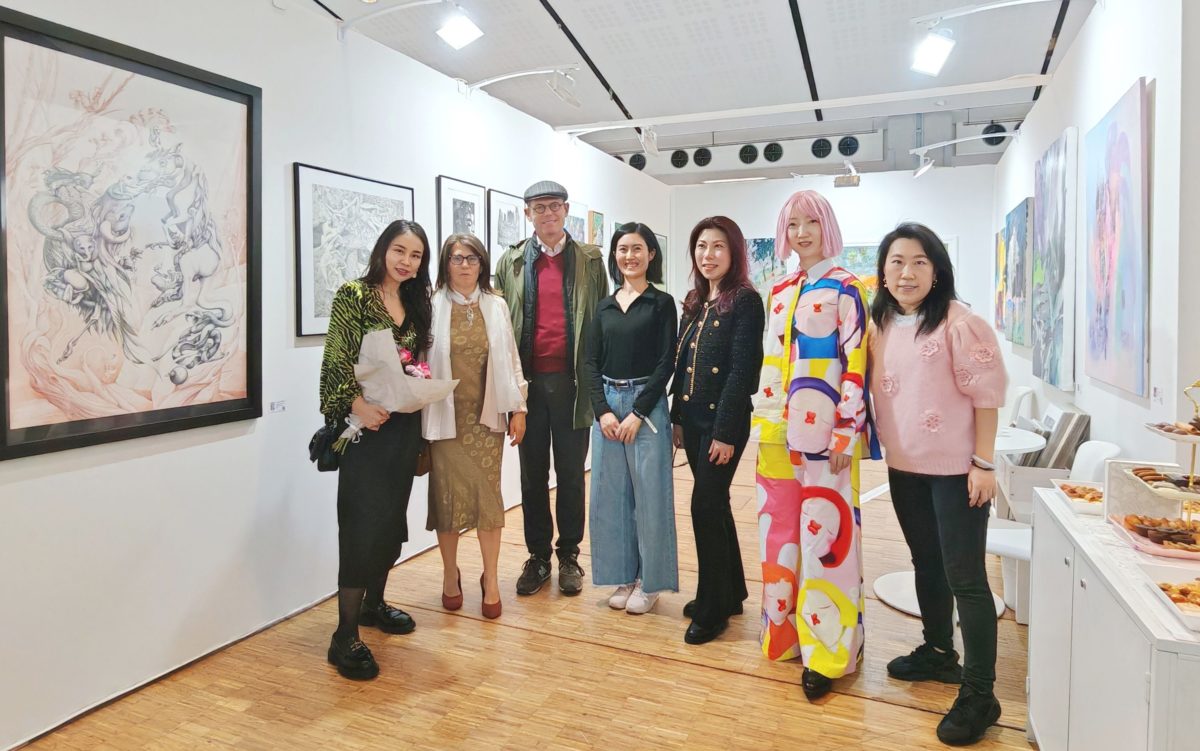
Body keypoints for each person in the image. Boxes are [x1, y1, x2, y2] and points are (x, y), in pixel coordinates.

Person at [869, 223, 1007, 746]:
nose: (907, 272)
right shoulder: (879, 321)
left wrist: (984, 463)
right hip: (905, 467)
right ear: (883, 270)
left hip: (956, 472)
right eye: (897, 261)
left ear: (937, 269)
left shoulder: (959, 322)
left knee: (966, 577)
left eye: (920, 262)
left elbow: (987, 395)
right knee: (926, 563)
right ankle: (939, 652)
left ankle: (980, 692)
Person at [751, 190, 879, 700]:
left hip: (826, 438)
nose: (802, 232)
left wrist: (849, 430)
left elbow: (856, 361)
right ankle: (783, 635)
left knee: (827, 546)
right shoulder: (778, 289)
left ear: (827, 226)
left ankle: (829, 652)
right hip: (774, 435)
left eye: (811, 222)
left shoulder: (847, 288)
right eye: (793, 223)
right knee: (777, 539)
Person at [318, 219, 433, 680]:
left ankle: (374, 605)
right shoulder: (354, 295)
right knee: (360, 527)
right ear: (383, 249)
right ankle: (343, 635)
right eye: (399, 251)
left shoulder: (415, 301)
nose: (406, 262)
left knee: (389, 523)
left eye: (417, 256)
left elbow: (417, 367)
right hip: (366, 431)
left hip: (402, 430)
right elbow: (335, 361)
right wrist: (358, 405)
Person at [493, 180, 608, 597]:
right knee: (531, 477)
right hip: (528, 389)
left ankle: (570, 556)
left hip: (573, 386)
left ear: (566, 210)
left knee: (573, 476)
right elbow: (500, 328)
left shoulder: (590, 261)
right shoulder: (512, 262)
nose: (547, 214)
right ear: (528, 214)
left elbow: (602, 324)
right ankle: (538, 556)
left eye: (554, 206)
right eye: (539, 208)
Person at [670, 216, 764, 645]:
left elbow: (743, 372)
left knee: (704, 506)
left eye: (718, 247)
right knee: (717, 505)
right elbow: (682, 362)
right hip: (691, 420)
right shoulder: (694, 299)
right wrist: (675, 417)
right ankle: (731, 592)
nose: (708, 255)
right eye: (701, 246)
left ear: (734, 252)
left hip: (722, 423)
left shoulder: (744, 300)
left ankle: (711, 609)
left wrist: (725, 432)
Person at [423, 233, 527, 620]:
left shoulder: (496, 305)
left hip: (487, 420)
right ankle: (450, 575)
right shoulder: (430, 306)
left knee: (488, 498)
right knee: (447, 499)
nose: (464, 265)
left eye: (472, 258)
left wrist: (519, 407)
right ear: (445, 264)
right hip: (444, 418)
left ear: (482, 264)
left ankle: (492, 578)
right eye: (456, 258)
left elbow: (512, 359)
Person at [585, 223, 678, 614]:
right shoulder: (604, 306)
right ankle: (624, 575)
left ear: (651, 254)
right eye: (623, 249)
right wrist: (603, 411)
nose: (630, 256)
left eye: (637, 249)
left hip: (647, 407)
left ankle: (650, 582)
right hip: (608, 405)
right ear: (615, 255)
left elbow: (666, 361)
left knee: (651, 496)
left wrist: (638, 411)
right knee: (611, 498)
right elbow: (588, 363)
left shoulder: (661, 303)